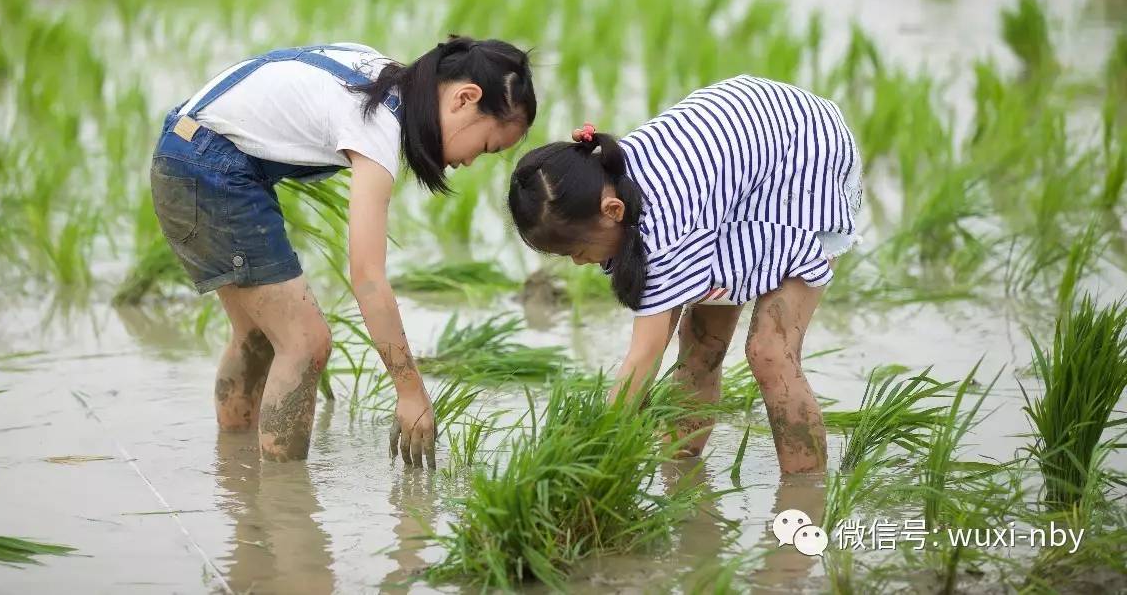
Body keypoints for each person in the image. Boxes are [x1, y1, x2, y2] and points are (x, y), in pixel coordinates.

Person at [151, 37, 536, 466]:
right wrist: (410, 391)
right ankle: (284, 504)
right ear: (465, 99)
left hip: (190, 148)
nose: (469, 162)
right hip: (209, 168)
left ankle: (238, 476)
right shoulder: (379, 124)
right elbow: (367, 276)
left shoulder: (385, 80)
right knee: (305, 343)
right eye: (486, 147)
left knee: (260, 335)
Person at [507, 74, 863, 475]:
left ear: (612, 212)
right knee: (699, 344)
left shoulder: (663, 221)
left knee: (770, 352)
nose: (577, 262)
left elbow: (644, 356)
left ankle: (804, 497)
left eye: (576, 250)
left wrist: (592, 456)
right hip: (746, 159)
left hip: (806, 153)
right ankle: (678, 470)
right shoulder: (616, 186)